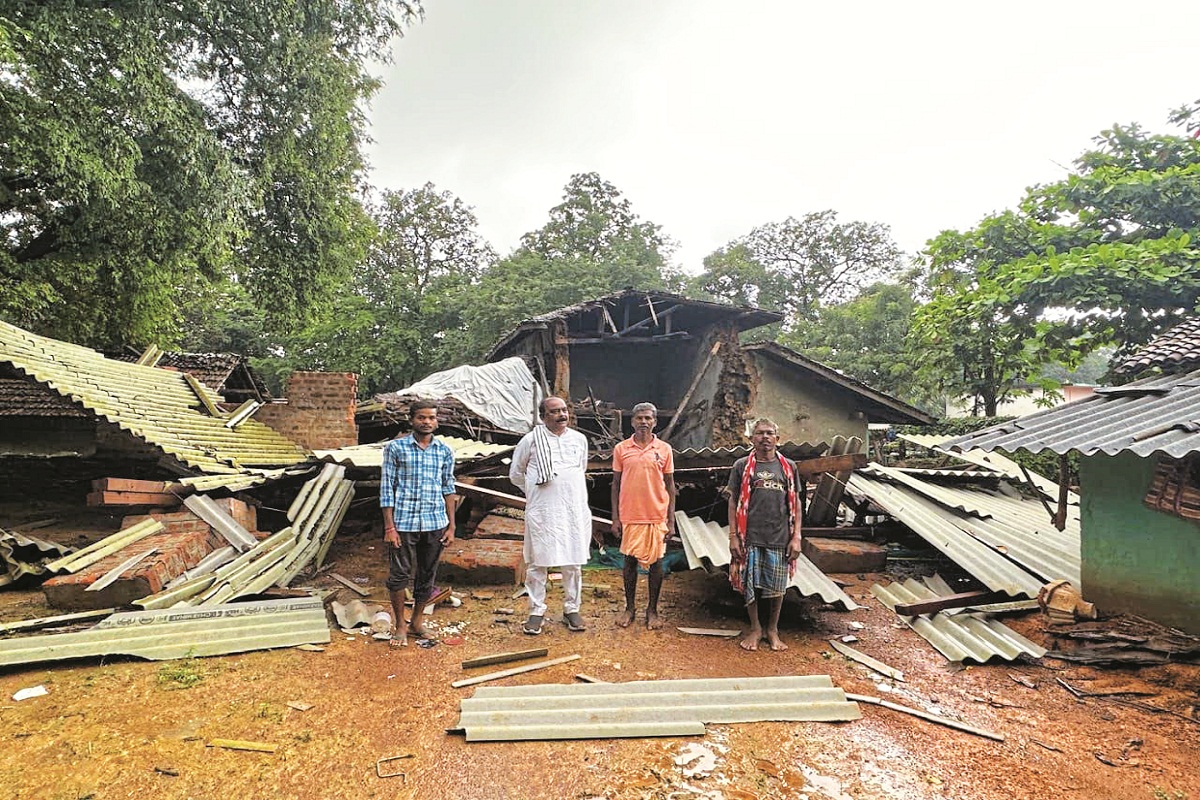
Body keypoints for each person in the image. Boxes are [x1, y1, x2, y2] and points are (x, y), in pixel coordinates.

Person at [510, 395, 592, 635]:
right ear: (543, 416)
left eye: (564, 410)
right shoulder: (530, 440)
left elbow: (580, 469)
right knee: (537, 562)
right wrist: (537, 491)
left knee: (573, 562)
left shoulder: (579, 440)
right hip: (543, 511)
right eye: (555, 411)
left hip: (572, 510)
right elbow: (516, 473)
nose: (562, 415)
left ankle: (571, 609)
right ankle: (536, 611)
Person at [379, 399, 458, 647]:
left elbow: (449, 489)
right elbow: (386, 489)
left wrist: (452, 525)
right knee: (399, 575)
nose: (427, 422)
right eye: (422, 417)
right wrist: (389, 527)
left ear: (437, 421)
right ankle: (400, 625)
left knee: (427, 575)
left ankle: (417, 621)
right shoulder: (396, 449)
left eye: (432, 418)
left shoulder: (444, 451)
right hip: (403, 523)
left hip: (435, 522)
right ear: (412, 419)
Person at [726, 418, 802, 652]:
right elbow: (733, 500)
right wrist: (733, 536)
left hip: (780, 536)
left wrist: (796, 536)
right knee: (751, 586)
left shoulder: (788, 467)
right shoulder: (741, 466)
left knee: (777, 587)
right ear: (752, 439)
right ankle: (756, 628)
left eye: (770, 433)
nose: (765, 438)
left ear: (777, 439)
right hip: (749, 536)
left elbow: (796, 503)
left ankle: (772, 630)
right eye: (760, 433)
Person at [611, 402, 676, 629]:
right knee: (629, 561)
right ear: (632, 421)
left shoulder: (665, 449)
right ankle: (630, 608)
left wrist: (671, 519)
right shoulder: (621, 449)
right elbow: (616, 484)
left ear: (655, 421)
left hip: (656, 514)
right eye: (639, 418)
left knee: (657, 563)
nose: (644, 422)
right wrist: (615, 518)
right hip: (630, 514)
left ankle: (652, 610)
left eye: (648, 418)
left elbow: (670, 485)